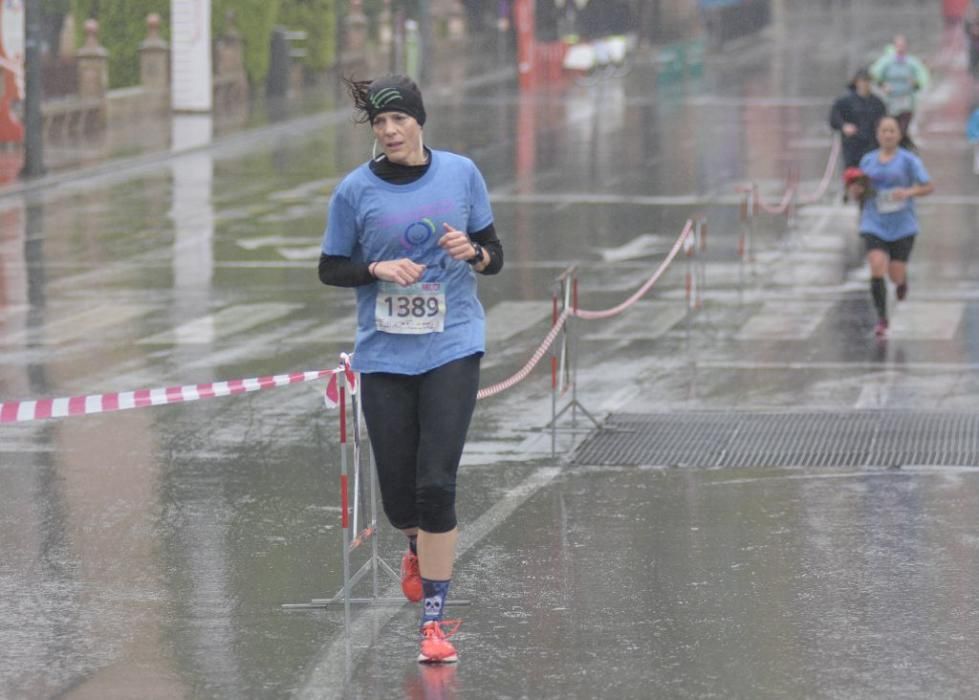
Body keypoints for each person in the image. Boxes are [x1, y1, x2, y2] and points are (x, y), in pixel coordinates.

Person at [318, 74, 504, 663]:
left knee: (436, 483)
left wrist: (471, 253)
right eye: (380, 123)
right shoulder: (354, 191)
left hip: (453, 344)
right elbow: (329, 267)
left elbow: (495, 255)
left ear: (419, 120)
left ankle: (434, 622)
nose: (391, 130)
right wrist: (375, 271)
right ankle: (414, 545)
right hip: (385, 355)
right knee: (402, 498)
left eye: (399, 119)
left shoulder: (461, 174)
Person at [847, 115, 934, 338]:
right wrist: (856, 191)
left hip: (903, 224)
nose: (887, 135)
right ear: (878, 135)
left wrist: (907, 192)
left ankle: (902, 282)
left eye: (892, 131)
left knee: (895, 275)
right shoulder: (867, 160)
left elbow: (928, 186)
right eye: (884, 131)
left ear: (899, 135)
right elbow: (860, 192)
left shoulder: (908, 160)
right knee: (876, 265)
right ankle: (882, 319)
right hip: (874, 221)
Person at [870, 35, 930, 146]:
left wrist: (916, 84)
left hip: (906, 101)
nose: (900, 48)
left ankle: (902, 147)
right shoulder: (886, 62)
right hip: (889, 101)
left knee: (902, 128)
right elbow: (874, 74)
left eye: (903, 45)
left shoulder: (912, 63)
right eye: (898, 45)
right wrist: (882, 85)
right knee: (890, 126)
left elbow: (923, 77)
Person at [829, 68, 887, 170]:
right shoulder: (845, 102)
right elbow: (834, 117)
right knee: (853, 176)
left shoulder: (877, 103)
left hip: (872, 146)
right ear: (856, 82)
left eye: (868, 81)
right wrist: (843, 126)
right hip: (852, 146)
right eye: (863, 81)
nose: (865, 84)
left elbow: (885, 121)